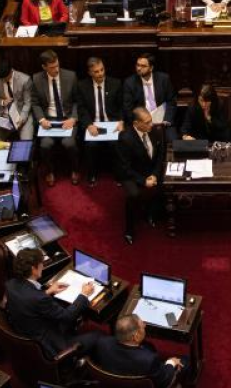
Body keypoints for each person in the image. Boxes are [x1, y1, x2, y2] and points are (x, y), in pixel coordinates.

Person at [4, 247, 93, 357]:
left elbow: (28, 300)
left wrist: (48, 291)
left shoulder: (10, 284)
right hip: (47, 342)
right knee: (98, 337)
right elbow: (66, 316)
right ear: (33, 269)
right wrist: (84, 294)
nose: (43, 266)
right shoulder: (39, 298)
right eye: (41, 263)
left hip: (26, 327)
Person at [81, 314, 184, 388]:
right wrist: (171, 362)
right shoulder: (149, 359)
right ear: (136, 336)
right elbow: (163, 382)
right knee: (184, 361)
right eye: (141, 325)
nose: (144, 325)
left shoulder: (102, 343)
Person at [30, 50, 80, 187]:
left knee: (69, 144)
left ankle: (75, 169)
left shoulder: (71, 76)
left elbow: (77, 101)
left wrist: (74, 118)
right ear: (44, 67)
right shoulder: (36, 79)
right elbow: (34, 103)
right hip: (49, 120)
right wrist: (41, 120)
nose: (56, 69)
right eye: (52, 67)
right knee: (45, 145)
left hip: (67, 118)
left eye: (57, 65)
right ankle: (50, 171)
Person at [117, 108, 167, 245]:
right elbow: (125, 168)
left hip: (151, 170)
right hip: (133, 174)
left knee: (166, 185)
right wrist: (143, 181)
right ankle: (129, 230)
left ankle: (151, 212)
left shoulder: (156, 131)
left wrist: (155, 175)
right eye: (147, 122)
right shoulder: (125, 138)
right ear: (136, 123)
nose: (151, 124)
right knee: (133, 195)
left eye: (151, 120)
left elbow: (160, 156)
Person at [77, 57, 125, 187]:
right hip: (94, 124)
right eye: (96, 71)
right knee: (91, 145)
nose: (100, 74)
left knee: (115, 143)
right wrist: (88, 125)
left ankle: (119, 174)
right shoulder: (82, 86)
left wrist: (121, 121)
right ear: (90, 72)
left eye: (102, 70)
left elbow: (122, 106)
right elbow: (81, 109)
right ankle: (92, 174)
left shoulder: (116, 83)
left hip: (112, 123)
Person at [0, 58, 34, 142]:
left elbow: (28, 103)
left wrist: (22, 118)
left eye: (6, 78)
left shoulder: (25, 80)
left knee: (26, 142)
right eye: (1, 79)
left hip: (22, 115)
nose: (3, 80)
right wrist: (2, 102)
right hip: (4, 117)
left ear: (11, 71)